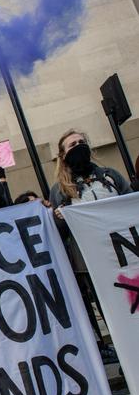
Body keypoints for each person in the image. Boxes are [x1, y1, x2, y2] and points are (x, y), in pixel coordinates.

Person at [50, 128, 132, 363]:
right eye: (72, 145)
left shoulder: (110, 176)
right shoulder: (61, 191)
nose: (78, 147)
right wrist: (59, 218)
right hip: (94, 267)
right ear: (63, 155)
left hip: (127, 256)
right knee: (114, 316)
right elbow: (59, 232)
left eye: (81, 142)